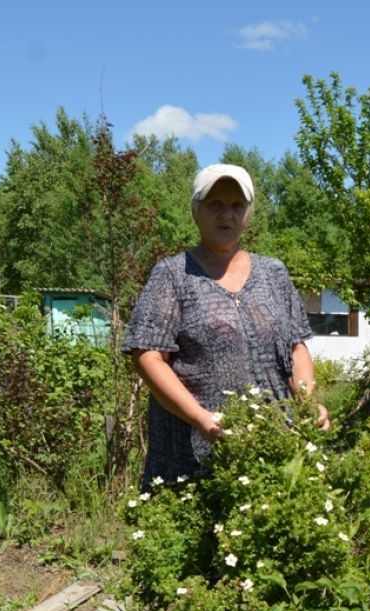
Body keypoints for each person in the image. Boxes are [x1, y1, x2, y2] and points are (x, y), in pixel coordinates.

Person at [123, 164, 329, 486]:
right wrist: (202, 419)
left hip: (271, 448)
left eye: (236, 206)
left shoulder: (273, 273)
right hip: (192, 458)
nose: (226, 215)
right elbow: (147, 356)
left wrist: (307, 402)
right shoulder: (173, 276)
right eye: (215, 204)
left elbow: (296, 347)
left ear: (248, 213)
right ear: (195, 210)